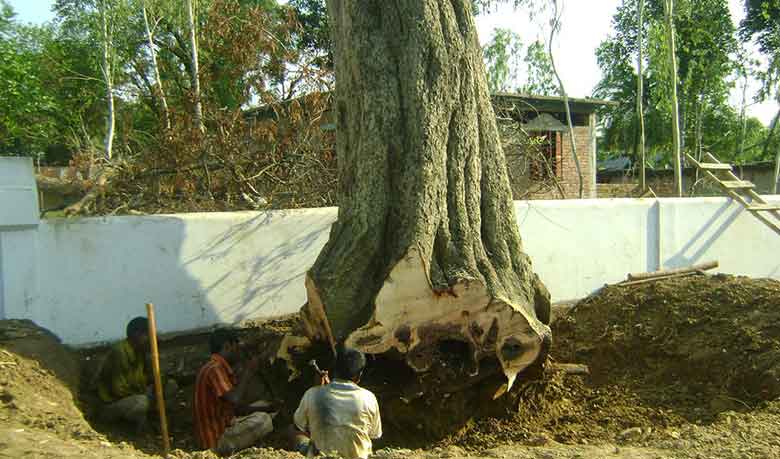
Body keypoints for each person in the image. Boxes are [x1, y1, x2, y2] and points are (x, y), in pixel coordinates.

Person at [193, 329, 276, 455]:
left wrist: (266, 407)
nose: (239, 353)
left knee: (262, 405)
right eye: (237, 348)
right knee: (264, 420)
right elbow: (235, 399)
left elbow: (235, 408)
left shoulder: (215, 367)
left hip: (224, 425)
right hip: (216, 440)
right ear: (227, 346)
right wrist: (249, 371)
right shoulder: (215, 369)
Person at [292, 348, 382, 459]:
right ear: (359, 376)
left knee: (294, 431)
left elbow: (300, 426)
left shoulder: (312, 394)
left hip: (321, 457)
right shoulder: (369, 398)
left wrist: (318, 389)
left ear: (334, 370)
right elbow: (374, 434)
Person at [96, 316, 178, 431]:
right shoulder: (119, 352)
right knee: (141, 402)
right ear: (137, 335)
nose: (151, 339)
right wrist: (150, 399)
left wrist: (157, 381)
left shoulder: (140, 351)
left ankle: (159, 422)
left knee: (170, 386)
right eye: (148, 335)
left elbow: (141, 379)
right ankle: (134, 429)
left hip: (135, 395)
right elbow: (119, 390)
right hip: (112, 404)